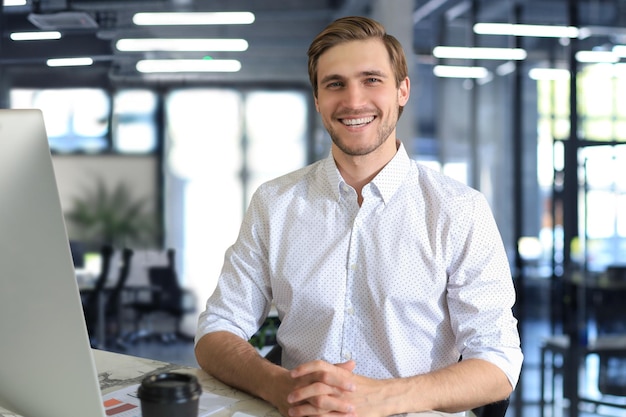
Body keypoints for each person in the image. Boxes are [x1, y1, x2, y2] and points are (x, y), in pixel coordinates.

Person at [195, 15, 523, 417]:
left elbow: (498, 363)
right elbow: (217, 329)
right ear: (317, 100)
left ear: (402, 90)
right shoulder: (275, 203)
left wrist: (382, 398)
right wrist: (280, 386)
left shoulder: (459, 210)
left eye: (372, 80)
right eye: (335, 84)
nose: (353, 101)